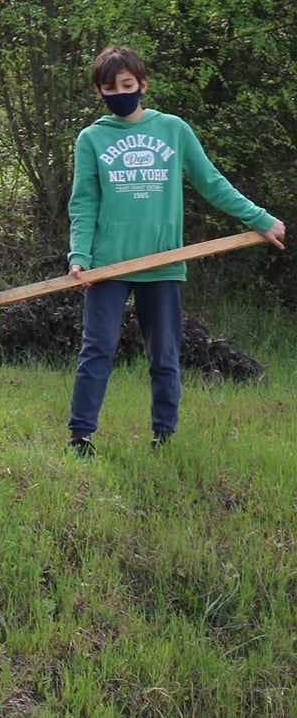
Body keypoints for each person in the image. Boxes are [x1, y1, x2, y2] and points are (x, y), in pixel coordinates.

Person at [65, 44, 285, 456]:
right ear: (99, 92)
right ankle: (81, 437)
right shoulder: (91, 138)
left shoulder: (173, 129)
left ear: (143, 85)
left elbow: (212, 182)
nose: (120, 93)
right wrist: (80, 257)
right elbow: (84, 202)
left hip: (164, 262)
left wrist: (260, 219)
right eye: (110, 87)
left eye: (127, 85)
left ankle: (163, 436)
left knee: (164, 355)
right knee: (97, 350)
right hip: (108, 266)